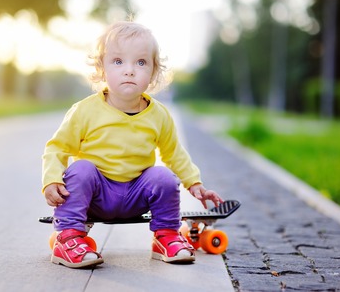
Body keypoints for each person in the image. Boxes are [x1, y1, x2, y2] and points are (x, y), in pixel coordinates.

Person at [42, 21, 223, 269]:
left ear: (153, 72)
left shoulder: (159, 114)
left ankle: (166, 236)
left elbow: (174, 153)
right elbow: (57, 148)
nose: (129, 70)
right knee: (81, 169)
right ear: (102, 68)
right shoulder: (85, 111)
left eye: (140, 62)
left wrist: (195, 183)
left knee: (163, 176)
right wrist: (52, 179)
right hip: (97, 195)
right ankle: (69, 237)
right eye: (118, 61)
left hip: (136, 195)